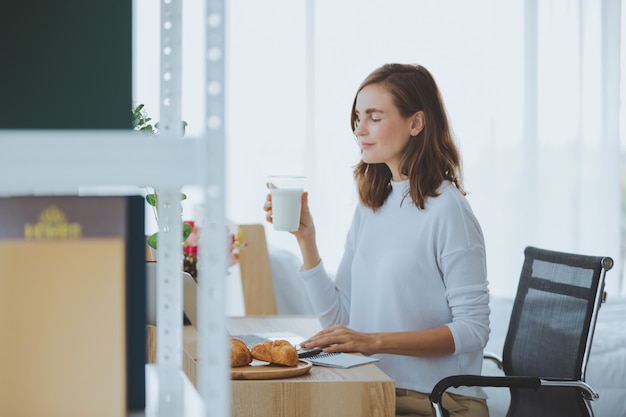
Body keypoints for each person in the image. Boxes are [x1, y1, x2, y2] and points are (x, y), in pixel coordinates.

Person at [264, 63, 490, 417]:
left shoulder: (448, 210)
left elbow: (473, 330)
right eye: (357, 118)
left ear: (416, 123)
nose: (359, 130)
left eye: (374, 117)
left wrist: (373, 341)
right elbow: (340, 320)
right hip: (374, 387)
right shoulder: (373, 205)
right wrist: (306, 240)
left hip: (437, 401)